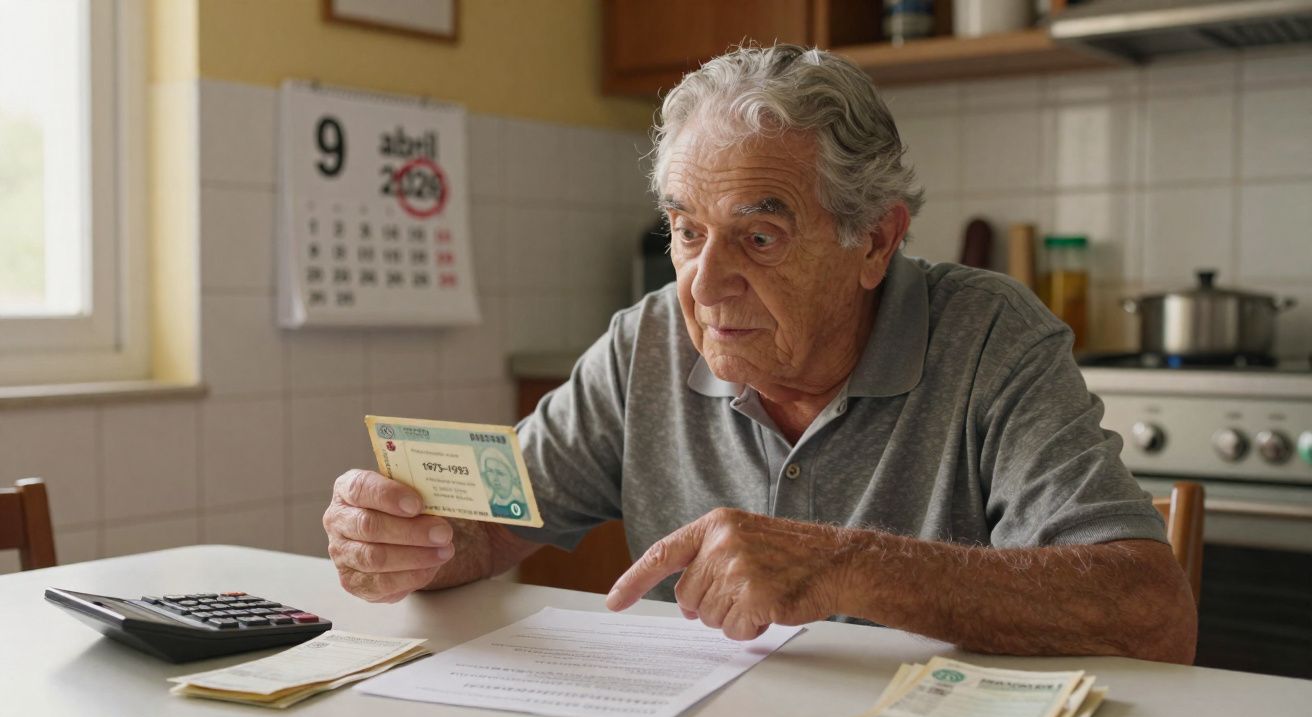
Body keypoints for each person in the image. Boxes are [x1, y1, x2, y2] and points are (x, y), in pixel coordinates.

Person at [323, 45, 1196, 664]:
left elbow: (1150, 613)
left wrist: (848, 565)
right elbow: (492, 522)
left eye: (761, 236)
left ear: (876, 242)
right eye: (687, 230)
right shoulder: (648, 339)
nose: (704, 285)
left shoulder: (989, 336)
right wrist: (412, 541)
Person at [479, 449, 527, 520]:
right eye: (490, 471)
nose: (494, 479)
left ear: (512, 475)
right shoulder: (489, 503)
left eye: (500, 473)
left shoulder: (523, 502)